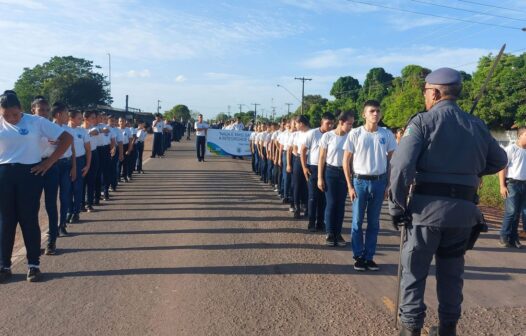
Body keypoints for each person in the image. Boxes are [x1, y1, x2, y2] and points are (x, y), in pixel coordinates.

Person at [388, 68, 507, 335]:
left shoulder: (422, 122)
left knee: (414, 272)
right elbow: (499, 161)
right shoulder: (476, 124)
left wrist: (396, 207)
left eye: (426, 93)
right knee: (452, 274)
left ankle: (410, 329)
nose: (425, 98)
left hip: (425, 213)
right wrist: (467, 171)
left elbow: (401, 167)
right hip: (463, 215)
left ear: (435, 92)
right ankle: (447, 328)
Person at [0, 90, 72, 282]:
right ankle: (4, 266)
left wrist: (49, 162)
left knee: (28, 219)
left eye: (14, 114)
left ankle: (33, 265)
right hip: (4, 175)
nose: (11, 118)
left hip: (30, 175)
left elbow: (67, 138)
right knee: (5, 221)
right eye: (5, 115)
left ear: (22, 109)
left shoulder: (35, 121)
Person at [343, 100, 397, 271]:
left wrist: (389, 184)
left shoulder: (386, 134)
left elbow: (391, 162)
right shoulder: (355, 133)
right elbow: (346, 161)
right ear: (364, 114)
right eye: (372, 111)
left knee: (374, 222)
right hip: (359, 182)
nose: (376, 114)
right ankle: (358, 255)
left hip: (379, 182)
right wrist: (350, 186)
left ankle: (369, 256)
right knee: (357, 221)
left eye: (378, 111)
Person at [317, 110, 354, 246]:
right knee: (331, 203)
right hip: (331, 172)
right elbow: (321, 157)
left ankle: (338, 233)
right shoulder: (327, 136)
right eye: (349, 124)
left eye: (352, 124)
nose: (350, 127)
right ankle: (330, 233)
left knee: (341, 205)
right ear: (341, 122)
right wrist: (320, 177)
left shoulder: (351, 137)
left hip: (345, 173)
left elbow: (351, 159)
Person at [301, 112, 334, 232]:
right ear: (322, 122)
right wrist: (304, 167)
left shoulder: (332, 135)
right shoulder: (312, 134)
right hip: (313, 167)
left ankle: (320, 222)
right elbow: (303, 150)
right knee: (313, 197)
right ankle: (311, 222)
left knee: (323, 198)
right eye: (327, 123)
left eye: (332, 123)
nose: (330, 126)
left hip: (327, 168)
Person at [50, 102, 77, 238]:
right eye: (66, 113)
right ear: (59, 114)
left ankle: (62, 224)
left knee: (65, 196)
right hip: (52, 165)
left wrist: (74, 167)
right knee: (51, 198)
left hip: (66, 165)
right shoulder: (47, 128)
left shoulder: (69, 130)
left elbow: (72, 150)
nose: (68, 116)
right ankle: (52, 226)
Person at [498, 126, 526, 248]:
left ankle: (513, 238)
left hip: (524, 185)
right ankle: (504, 236)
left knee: (518, 212)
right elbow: (502, 168)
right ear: (520, 136)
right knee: (511, 211)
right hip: (513, 184)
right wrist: (502, 186)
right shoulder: (511, 149)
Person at [67, 109, 91, 225]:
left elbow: (88, 149)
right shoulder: (63, 129)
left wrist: (87, 165)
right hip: (66, 161)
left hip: (80, 160)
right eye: (78, 118)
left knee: (77, 188)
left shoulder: (83, 131)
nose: (81, 120)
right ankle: (68, 211)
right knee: (67, 189)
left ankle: (76, 212)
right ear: (71, 118)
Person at [291, 116, 310, 219]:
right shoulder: (296, 135)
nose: (295, 126)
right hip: (298, 159)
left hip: (310, 160)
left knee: (307, 185)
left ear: (301, 123)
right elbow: (294, 148)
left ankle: (307, 207)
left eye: (296, 124)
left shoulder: (311, 133)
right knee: (297, 185)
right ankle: (297, 208)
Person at [82, 111, 99, 212]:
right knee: (82, 181)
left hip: (93, 154)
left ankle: (89, 203)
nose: (95, 120)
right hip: (82, 156)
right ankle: (81, 204)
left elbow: (95, 132)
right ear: (86, 118)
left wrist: (85, 133)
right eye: (93, 117)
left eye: (95, 118)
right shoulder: (79, 128)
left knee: (91, 180)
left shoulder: (94, 128)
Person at [108, 115, 124, 191]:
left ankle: (113, 185)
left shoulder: (117, 130)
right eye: (111, 120)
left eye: (114, 120)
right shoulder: (105, 129)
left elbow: (120, 143)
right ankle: (106, 186)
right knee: (106, 169)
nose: (112, 122)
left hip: (115, 150)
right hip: (106, 150)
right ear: (108, 121)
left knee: (113, 169)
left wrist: (121, 154)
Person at [118, 117, 133, 182]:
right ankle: (118, 177)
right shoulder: (116, 129)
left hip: (126, 147)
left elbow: (130, 140)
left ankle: (124, 176)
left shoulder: (128, 130)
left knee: (125, 163)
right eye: (120, 121)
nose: (122, 122)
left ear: (125, 122)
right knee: (118, 164)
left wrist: (129, 149)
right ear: (118, 122)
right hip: (118, 147)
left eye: (123, 121)